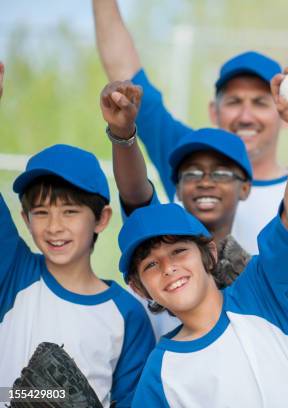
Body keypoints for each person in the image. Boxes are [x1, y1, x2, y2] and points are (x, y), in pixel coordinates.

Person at [92, 0, 288, 368]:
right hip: (180, 374)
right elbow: (126, 83)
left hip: (271, 377)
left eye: (260, 101)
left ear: (283, 111)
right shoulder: (188, 160)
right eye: (234, 101)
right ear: (213, 111)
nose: (247, 114)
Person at [122, 66, 288, 407]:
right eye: (152, 264)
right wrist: (122, 134)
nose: (168, 268)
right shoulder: (160, 371)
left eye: (179, 252)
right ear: (140, 287)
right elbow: (136, 195)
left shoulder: (261, 292)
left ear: (209, 255)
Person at [0, 64, 154, 406]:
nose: (54, 226)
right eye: (41, 213)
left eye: (70, 212)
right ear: (24, 219)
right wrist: (39, 395)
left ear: (101, 219)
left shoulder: (126, 314)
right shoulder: (14, 272)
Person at [100, 80, 254, 338]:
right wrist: (123, 135)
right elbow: (135, 193)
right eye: (192, 173)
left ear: (245, 187)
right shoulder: (154, 236)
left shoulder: (255, 268)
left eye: (221, 173)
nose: (206, 181)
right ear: (178, 187)